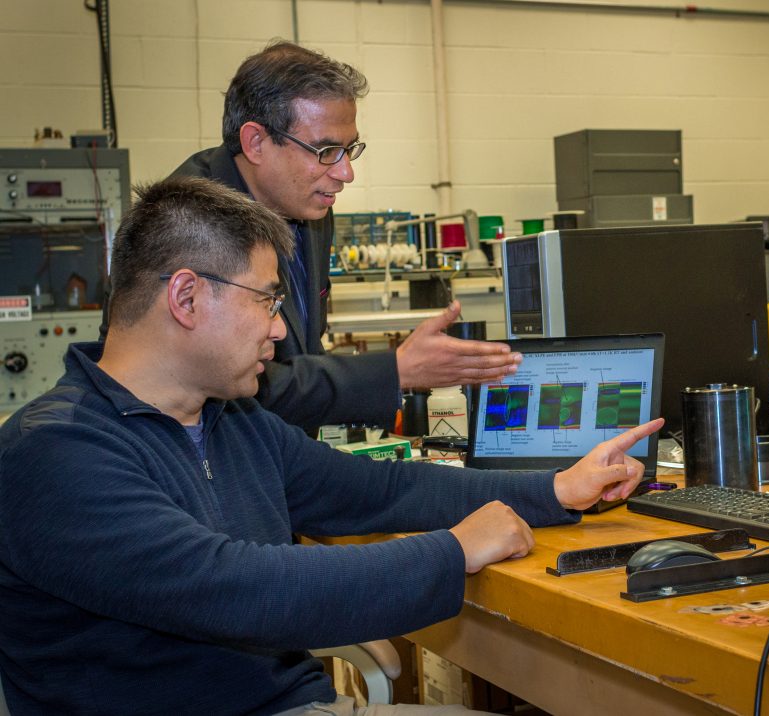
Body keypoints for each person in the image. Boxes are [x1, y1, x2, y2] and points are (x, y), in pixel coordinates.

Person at [0, 176, 663, 716]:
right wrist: (454, 551)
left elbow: (383, 491)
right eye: (266, 299)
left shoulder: (230, 422)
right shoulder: (55, 455)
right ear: (187, 296)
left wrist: (553, 490)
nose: (280, 327)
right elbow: (240, 592)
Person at [170, 39, 519, 434]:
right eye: (325, 151)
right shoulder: (189, 223)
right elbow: (240, 391)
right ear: (255, 142)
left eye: (349, 149)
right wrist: (394, 370)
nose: (345, 173)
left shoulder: (310, 206)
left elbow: (305, 350)